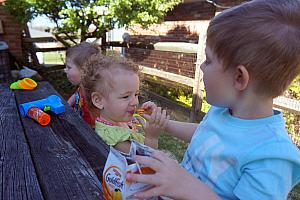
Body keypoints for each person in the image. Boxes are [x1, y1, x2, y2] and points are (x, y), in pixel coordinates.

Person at [126, 0, 300, 199]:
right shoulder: (223, 111)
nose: (201, 67)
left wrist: (185, 185)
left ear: (239, 77)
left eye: (208, 60)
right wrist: (164, 125)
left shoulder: (272, 155)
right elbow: (206, 135)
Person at [81, 53, 169, 153]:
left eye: (136, 94)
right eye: (126, 96)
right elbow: (145, 159)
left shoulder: (117, 120)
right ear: (99, 101)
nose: (135, 102)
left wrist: (146, 116)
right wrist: (152, 137)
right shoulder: (114, 139)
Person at [64, 42, 100, 128]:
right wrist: (67, 105)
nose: (65, 70)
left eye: (69, 67)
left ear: (85, 71)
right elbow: (76, 95)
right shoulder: (82, 86)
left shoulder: (93, 93)